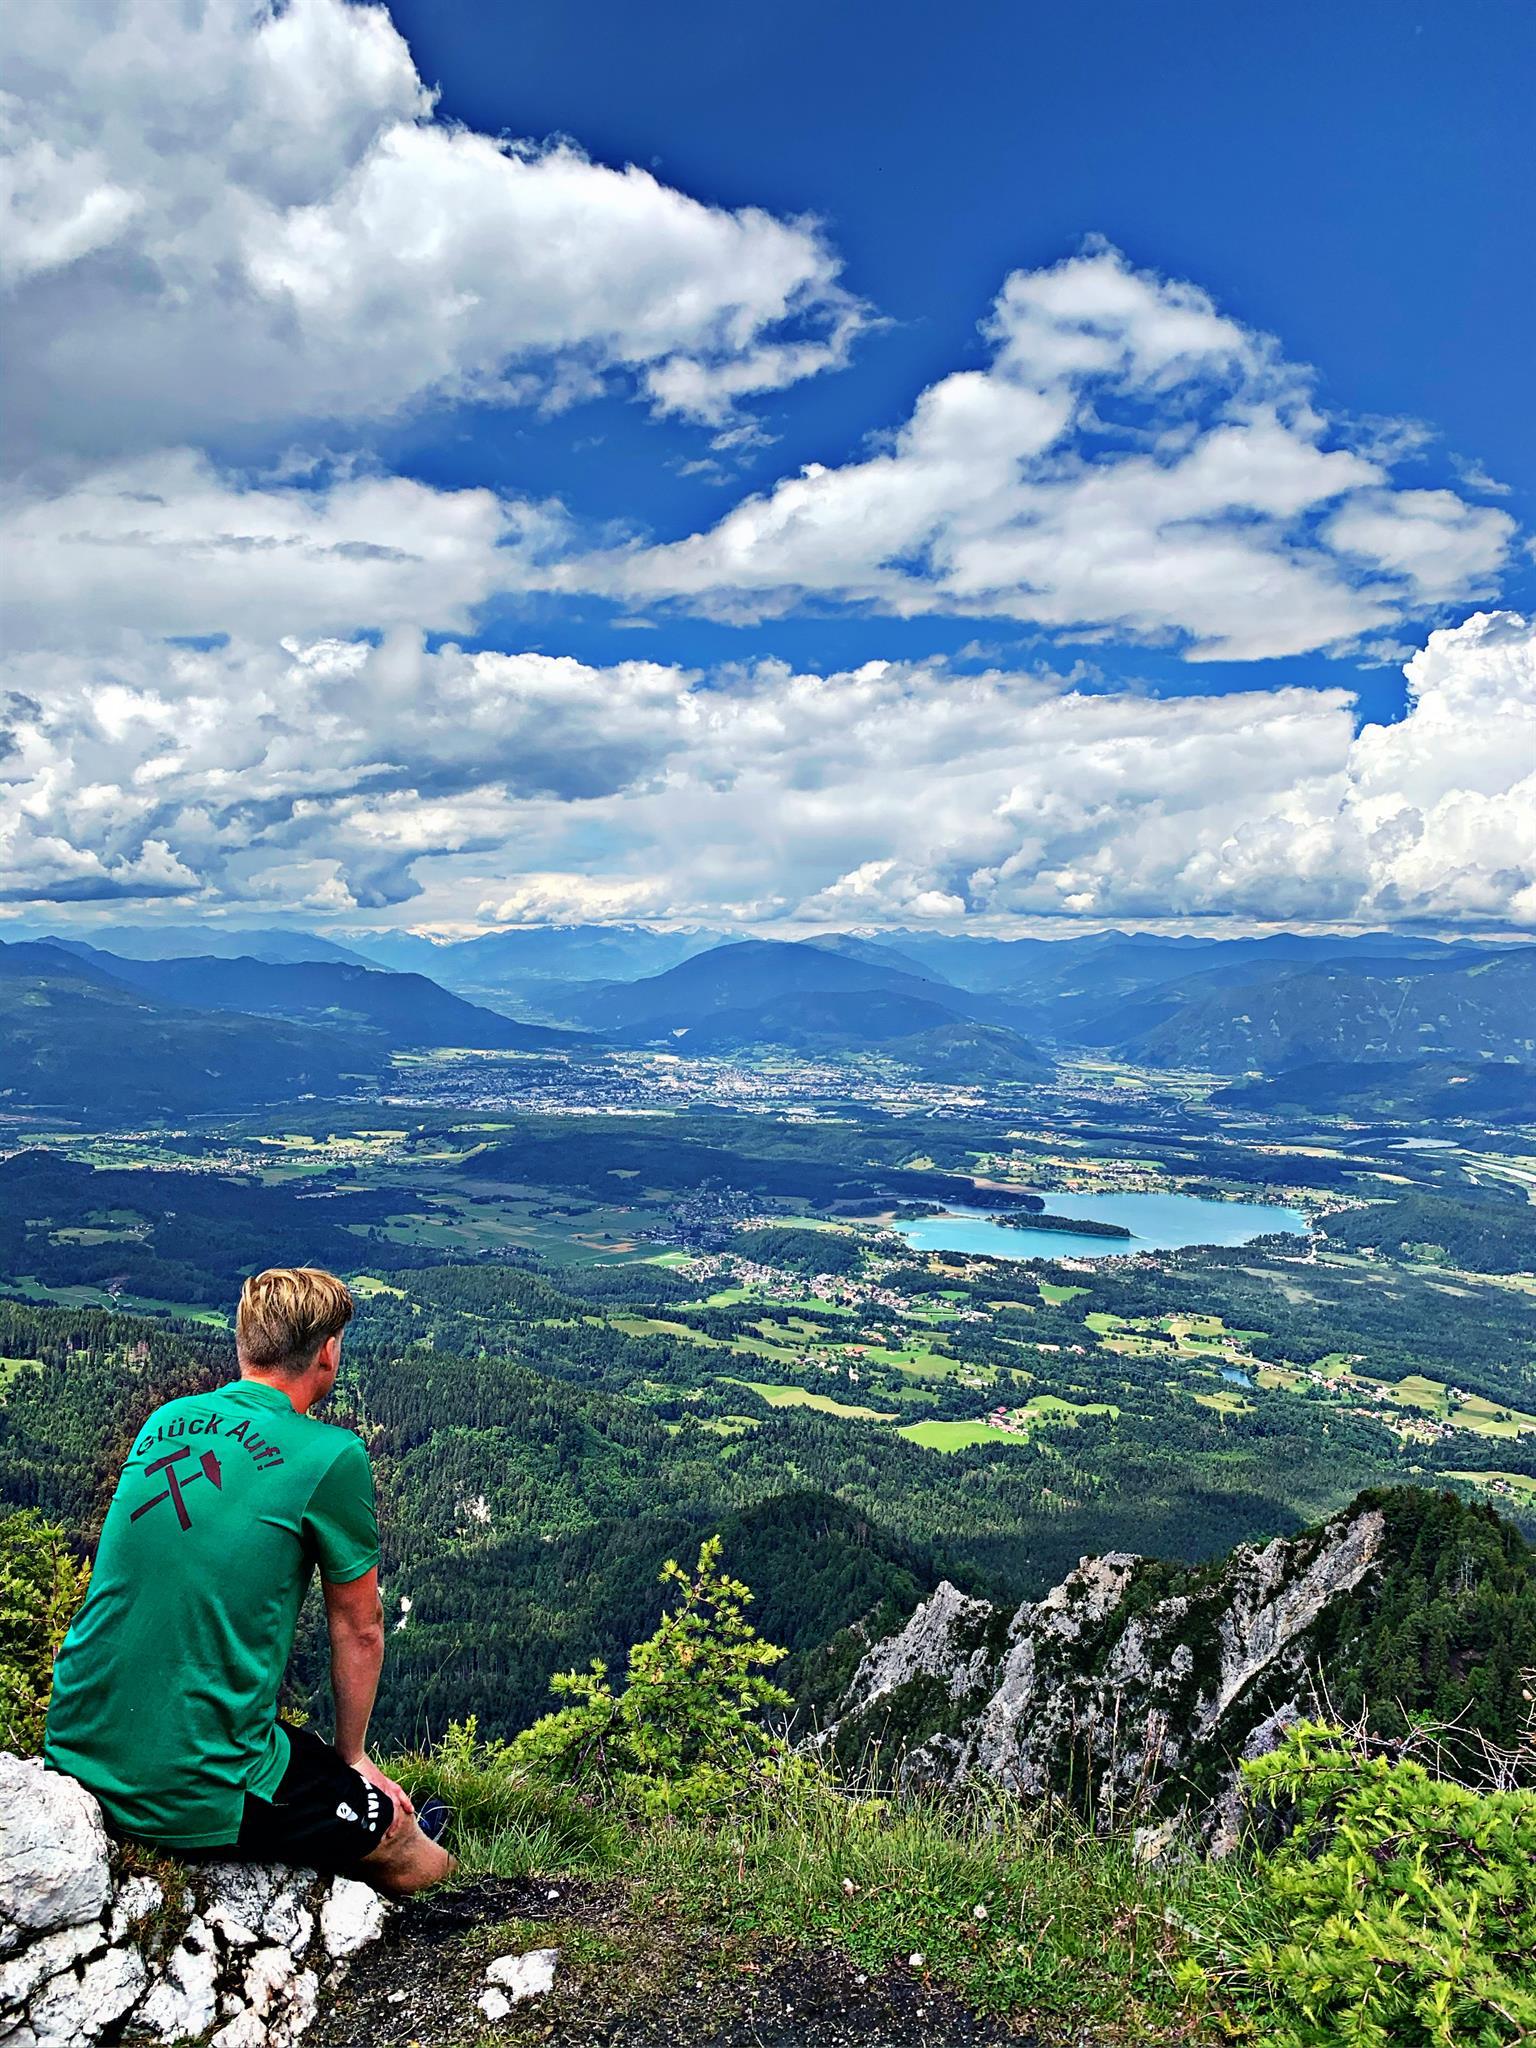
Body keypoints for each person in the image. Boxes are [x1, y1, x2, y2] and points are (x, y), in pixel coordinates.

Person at [45, 1266, 452, 1897]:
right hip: (197, 1784)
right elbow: (361, 1627)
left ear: (245, 1343)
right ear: (327, 1351)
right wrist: (354, 1756)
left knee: (300, 1754)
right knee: (399, 1836)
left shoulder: (166, 1420)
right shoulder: (331, 1455)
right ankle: (453, 1882)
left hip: (77, 1741)